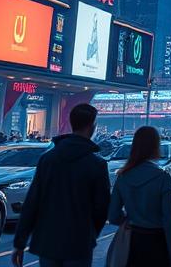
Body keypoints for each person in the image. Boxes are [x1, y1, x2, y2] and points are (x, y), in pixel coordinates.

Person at [12, 103, 111, 267]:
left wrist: (20, 242)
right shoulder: (97, 164)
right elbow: (102, 207)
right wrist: (90, 234)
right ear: (92, 126)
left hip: (48, 241)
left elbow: (32, 202)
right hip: (79, 242)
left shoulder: (48, 159)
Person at [108, 126, 171, 267]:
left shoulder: (123, 176)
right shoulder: (162, 177)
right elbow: (169, 219)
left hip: (132, 241)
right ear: (155, 147)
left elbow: (113, 215)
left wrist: (127, 220)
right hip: (157, 242)